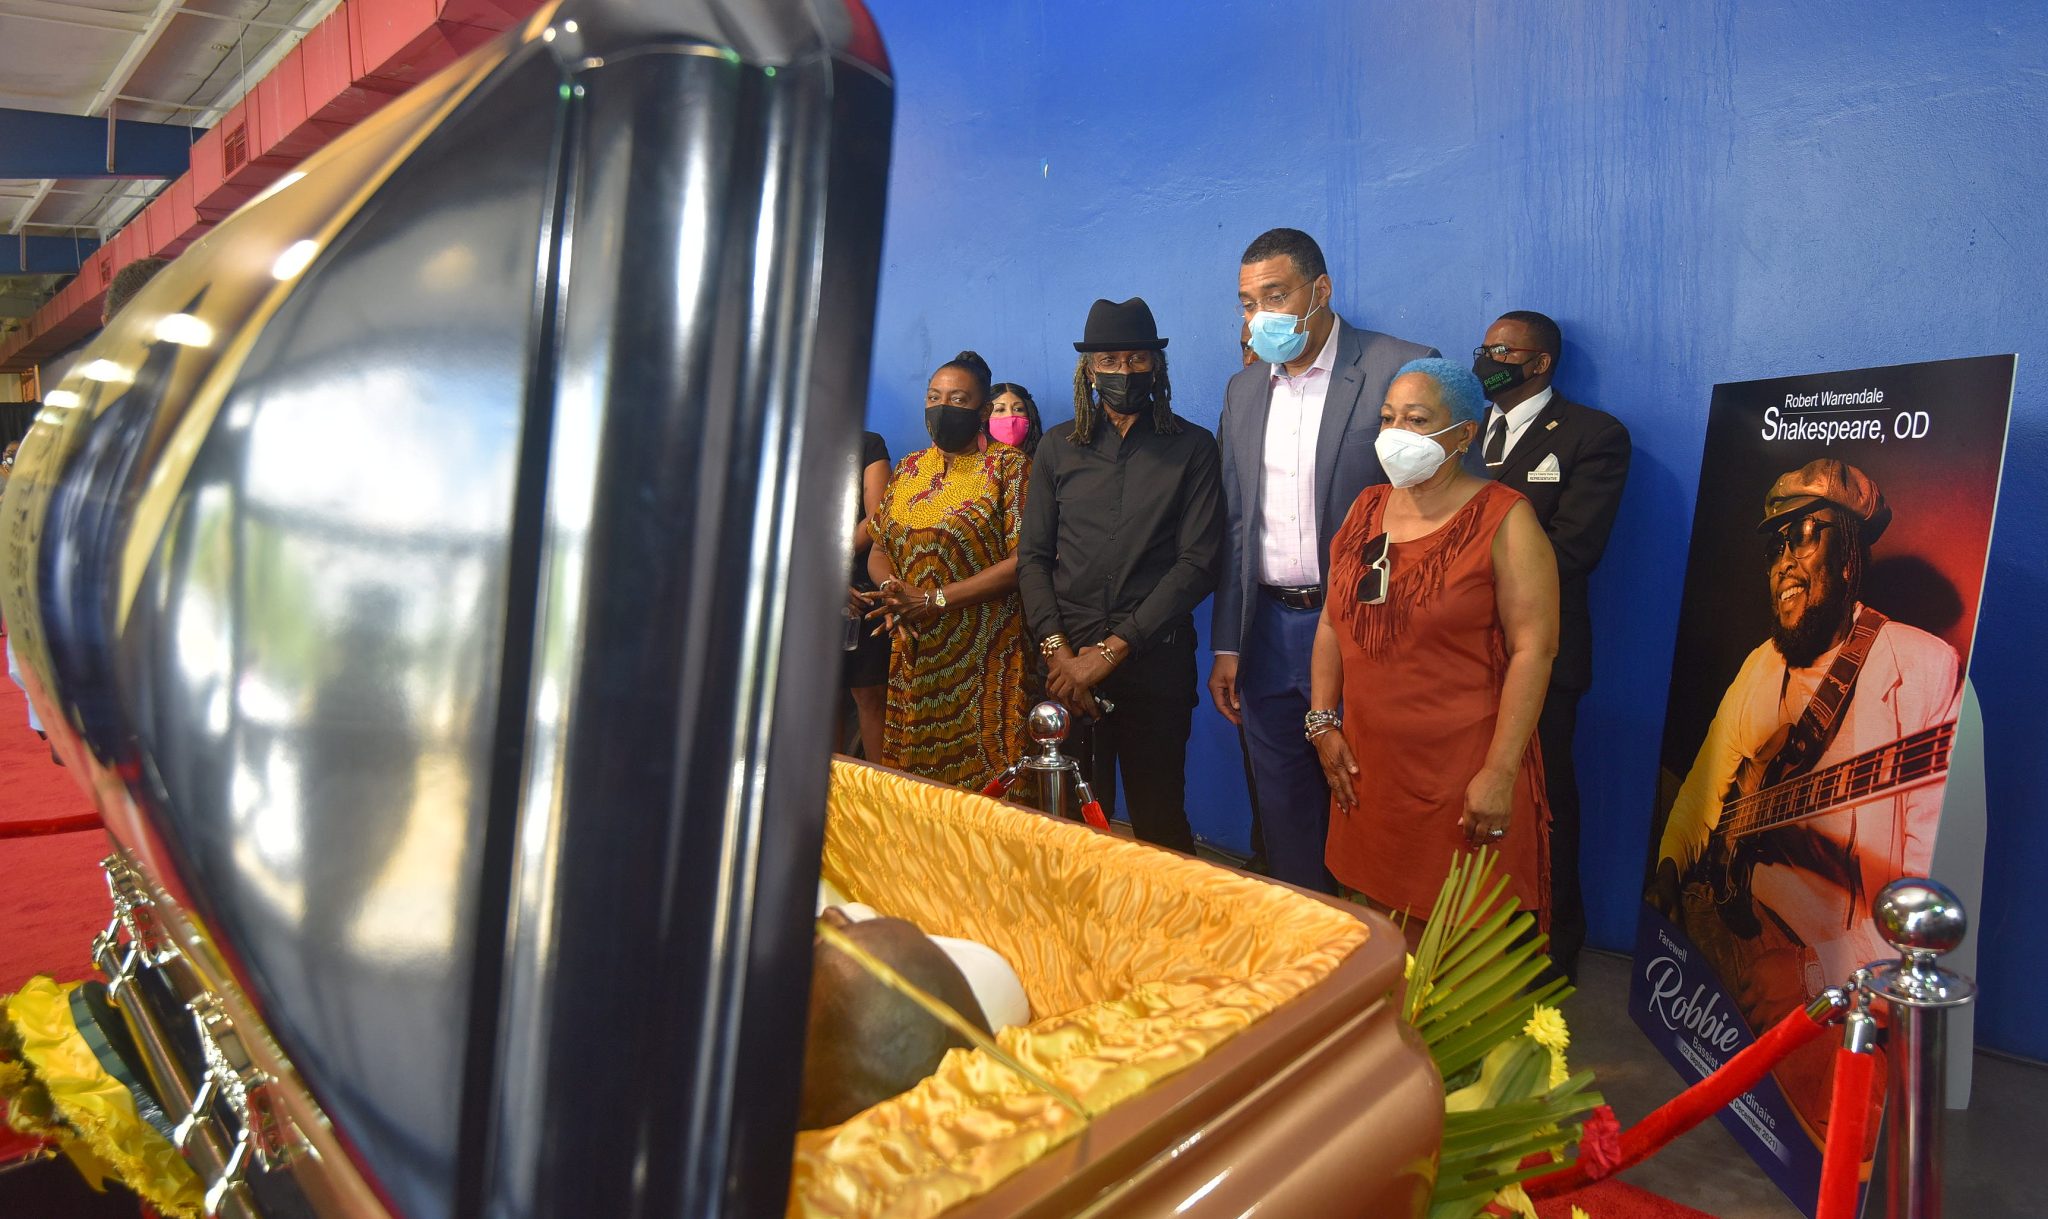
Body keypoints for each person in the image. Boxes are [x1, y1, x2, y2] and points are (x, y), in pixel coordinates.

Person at [1650, 459, 1959, 1140]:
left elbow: (1919, 898)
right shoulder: (1759, 666)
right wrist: (1672, 881)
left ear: (1849, 557)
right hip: (1736, 996)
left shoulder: (1920, 668)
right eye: (1775, 545)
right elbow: (1702, 797)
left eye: (1805, 538)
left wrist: (1811, 977)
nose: (1785, 561)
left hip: (1842, 1022)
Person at [1209, 228, 1437, 892]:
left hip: (1368, 629)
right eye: (1248, 303)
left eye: (1275, 296)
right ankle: (1313, 961)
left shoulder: (1403, 367)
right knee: (1284, 813)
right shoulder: (1243, 392)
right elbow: (1235, 522)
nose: (1260, 318)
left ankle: (1383, 965)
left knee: (1373, 798)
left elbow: (1442, 515)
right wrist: (1228, 641)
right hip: (1267, 631)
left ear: (1321, 291)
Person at [1311, 359, 1558, 943]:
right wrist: (1323, 721)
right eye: (1388, 417)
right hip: (1366, 775)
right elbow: (1331, 621)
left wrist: (1498, 773)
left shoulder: (1505, 518)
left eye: (1417, 420)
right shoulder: (1365, 508)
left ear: (1464, 435)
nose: (1396, 433)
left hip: (1461, 776)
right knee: (1375, 951)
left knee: (1455, 965)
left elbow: (1534, 649)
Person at [1016, 298, 1223, 852]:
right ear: (1088, 370)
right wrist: (1062, 654)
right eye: (1109, 361)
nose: (1123, 373)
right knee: (1068, 829)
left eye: (1136, 359)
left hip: (1153, 664)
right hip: (1065, 669)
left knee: (1160, 822)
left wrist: (1109, 653)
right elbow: (1033, 557)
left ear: (1157, 366)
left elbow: (1197, 564)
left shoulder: (1193, 447)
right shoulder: (1058, 448)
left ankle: (1168, 937)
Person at [1470, 310, 1631, 982]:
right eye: (1484, 348)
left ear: (1540, 363)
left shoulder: (1594, 436)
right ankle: (1471, 936)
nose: (1487, 359)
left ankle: (1552, 948)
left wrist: (1463, 573)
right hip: (1459, 654)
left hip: (1543, 655)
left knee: (1544, 803)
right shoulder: (1461, 433)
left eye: (1503, 350)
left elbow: (1574, 549)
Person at [863, 352, 1031, 788]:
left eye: (957, 399)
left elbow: (1022, 562)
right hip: (912, 649)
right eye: (933, 396)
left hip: (982, 657)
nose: (941, 407)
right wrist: (893, 592)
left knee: (984, 792)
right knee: (917, 792)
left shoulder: (1009, 469)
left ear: (980, 411)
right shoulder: (909, 468)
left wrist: (933, 599)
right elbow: (878, 548)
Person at [840, 430, 892, 758]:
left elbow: (876, 517)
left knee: (869, 695)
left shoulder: (868, 443)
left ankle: (879, 800)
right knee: (818, 700)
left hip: (861, 590)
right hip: (797, 583)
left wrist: (827, 565)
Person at [985, 382, 1044, 456]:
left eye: (1018, 409)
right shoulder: (974, 462)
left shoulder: (1046, 455)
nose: (1010, 415)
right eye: (1000, 409)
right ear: (985, 415)